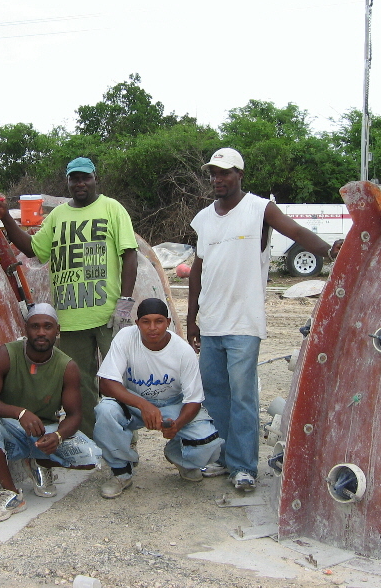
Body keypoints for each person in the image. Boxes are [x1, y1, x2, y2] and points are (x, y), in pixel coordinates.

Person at [187, 148, 342, 491]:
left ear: (240, 175)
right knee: (215, 396)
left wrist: (330, 251)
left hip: (244, 323)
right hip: (211, 323)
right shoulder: (203, 219)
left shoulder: (260, 209)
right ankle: (226, 459)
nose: (218, 179)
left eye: (225, 173)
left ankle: (244, 468)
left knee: (243, 397)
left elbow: (298, 233)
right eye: (213, 173)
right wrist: (191, 319)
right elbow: (199, 269)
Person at [0, 157, 138, 438]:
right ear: (68, 182)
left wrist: (125, 302)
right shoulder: (58, 216)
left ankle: (123, 445)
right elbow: (33, 250)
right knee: (80, 385)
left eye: (85, 178)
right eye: (74, 179)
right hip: (70, 318)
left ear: (95, 179)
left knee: (116, 381)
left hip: (107, 314)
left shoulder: (112, 209)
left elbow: (129, 254)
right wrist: (5, 217)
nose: (80, 183)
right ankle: (87, 443)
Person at [0, 303, 101, 523]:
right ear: (26, 329)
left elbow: (74, 415)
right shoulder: (6, 354)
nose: (41, 332)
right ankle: (11, 493)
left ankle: (39, 462)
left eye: (47, 326)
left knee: (90, 457)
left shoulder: (67, 366)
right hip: (10, 428)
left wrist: (58, 436)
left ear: (57, 330)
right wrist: (20, 413)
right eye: (35, 326)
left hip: (44, 431)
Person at [93, 298, 223, 498]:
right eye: (146, 321)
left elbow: (194, 400)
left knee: (209, 443)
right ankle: (121, 471)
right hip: (134, 403)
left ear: (168, 322)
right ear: (137, 324)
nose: (152, 328)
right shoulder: (126, 337)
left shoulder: (183, 351)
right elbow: (106, 382)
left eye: (159, 321)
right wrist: (143, 405)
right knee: (105, 411)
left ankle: (178, 455)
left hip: (172, 405)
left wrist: (177, 425)